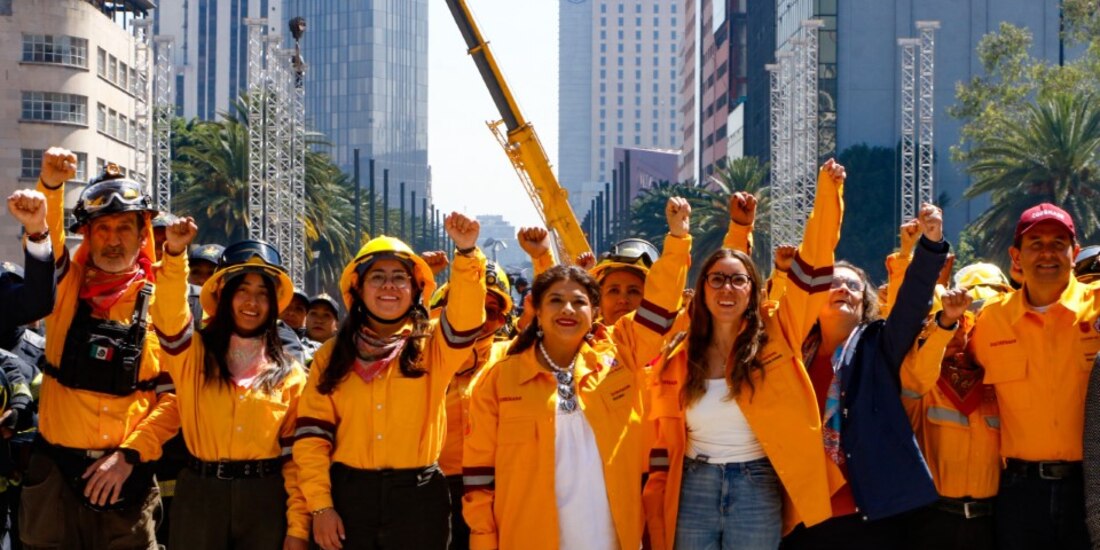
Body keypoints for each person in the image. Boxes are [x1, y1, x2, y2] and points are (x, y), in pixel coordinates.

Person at [463, 199, 690, 550]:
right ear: (536, 312)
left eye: (579, 302)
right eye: (555, 301)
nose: (568, 309)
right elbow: (479, 476)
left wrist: (677, 240)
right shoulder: (498, 379)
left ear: (594, 311)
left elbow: (660, 309)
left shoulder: (619, 355)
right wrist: (483, 542)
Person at [643, 161, 844, 550]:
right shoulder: (680, 346)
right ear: (701, 290)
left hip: (757, 484)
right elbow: (662, 296)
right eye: (716, 280)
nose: (727, 288)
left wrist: (828, 196)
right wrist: (681, 236)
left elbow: (815, 262)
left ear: (754, 290)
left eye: (739, 281)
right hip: (693, 484)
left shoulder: (777, 331)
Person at [294, 217, 487, 550]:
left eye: (400, 278)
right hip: (349, 497)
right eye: (377, 278)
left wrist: (467, 253)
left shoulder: (433, 348)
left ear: (415, 291)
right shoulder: (330, 356)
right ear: (357, 289)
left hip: (420, 499)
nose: (389, 286)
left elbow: (467, 318)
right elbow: (312, 438)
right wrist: (321, 506)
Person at [22, 150, 176, 549]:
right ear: (87, 235)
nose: (112, 239)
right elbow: (46, 242)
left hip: (126, 479)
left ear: (143, 234)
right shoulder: (63, 290)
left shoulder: (166, 303)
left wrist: (129, 457)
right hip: (54, 476)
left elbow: (176, 399)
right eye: (102, 228)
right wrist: (51, 186)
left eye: (124, 227)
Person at [782, 203, 950, 549]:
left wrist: (930, 246)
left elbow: (911, 305)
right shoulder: (794, 350)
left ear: (865, 300)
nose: (843, 289)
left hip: (867, 515)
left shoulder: (878, 344)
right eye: (833, 282)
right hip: (801, 515)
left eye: (853, 285)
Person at [152, 225, 309, 550]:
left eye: (263, 293)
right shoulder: (192, 355)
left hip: (265, 499)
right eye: (242, 290)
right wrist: (175, 255)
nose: (252, 302)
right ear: (224, 296)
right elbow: (169, 318)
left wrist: (298, 525)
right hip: (200, 496)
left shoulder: (291, 374)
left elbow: (297, 459)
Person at [971, 203, 1099, 549]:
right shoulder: (986, 322)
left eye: (1058, 244)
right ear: (1016, 256)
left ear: (1074, 253)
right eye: (1036, 243)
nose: (1047, 253)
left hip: (1093, 485)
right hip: (1020, 492)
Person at [900, 264, 1009, 550]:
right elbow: (920, 368)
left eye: (963, 323)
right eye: (941, 323)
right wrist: (944, 325)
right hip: (933, 522)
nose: (954, 332)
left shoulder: (995, 382)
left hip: (991, 522)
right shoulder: (921, 382)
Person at [434, 261, 514, 550]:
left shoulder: (511, 357)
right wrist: (425, 282)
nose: (478, 318)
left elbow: (550, 324)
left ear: (503, 321)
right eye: (469, 304)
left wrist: (541, 259)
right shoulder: (425, 355)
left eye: (489, 311)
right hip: (436, 492)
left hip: (497, 489)